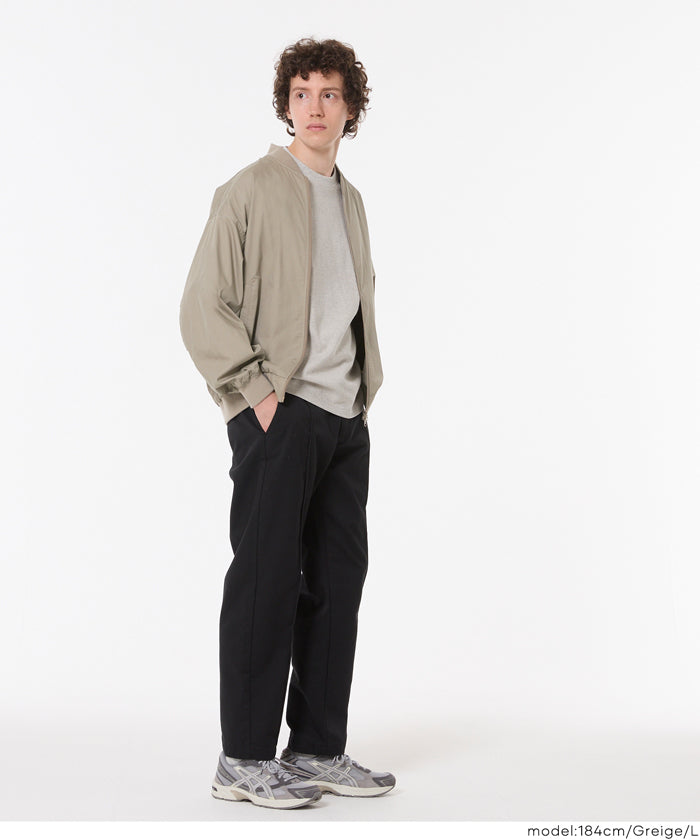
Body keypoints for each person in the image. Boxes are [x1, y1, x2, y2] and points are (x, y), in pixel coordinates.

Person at [179, 37, 395, 810]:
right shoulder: (249, 190)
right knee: (266, 580)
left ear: (350, 108)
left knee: (337, 583)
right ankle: (242, 759)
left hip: (344, 417)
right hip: (281, 412)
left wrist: (361, 395)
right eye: (302, 93)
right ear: (286, 105)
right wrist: (256, 394)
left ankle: (315, 747)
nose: (315, 107)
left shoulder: (350, 199)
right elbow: (202, 306)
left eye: (330, 93)